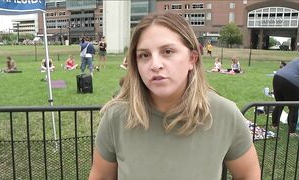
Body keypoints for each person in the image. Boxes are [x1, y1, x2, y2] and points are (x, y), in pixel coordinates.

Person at [89, 12, 260, 179]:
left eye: (168, 51)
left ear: (192, 59)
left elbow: (248, 174)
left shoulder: (225, 114)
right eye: (144, 55)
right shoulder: (116, 117)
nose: (155, 65)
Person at [272, 59, 299, 136]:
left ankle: (274, 125)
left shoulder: (295, 60)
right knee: (294, 107)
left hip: (277, 76)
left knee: (279, 104)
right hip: (291, 80)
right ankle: (292, 132)